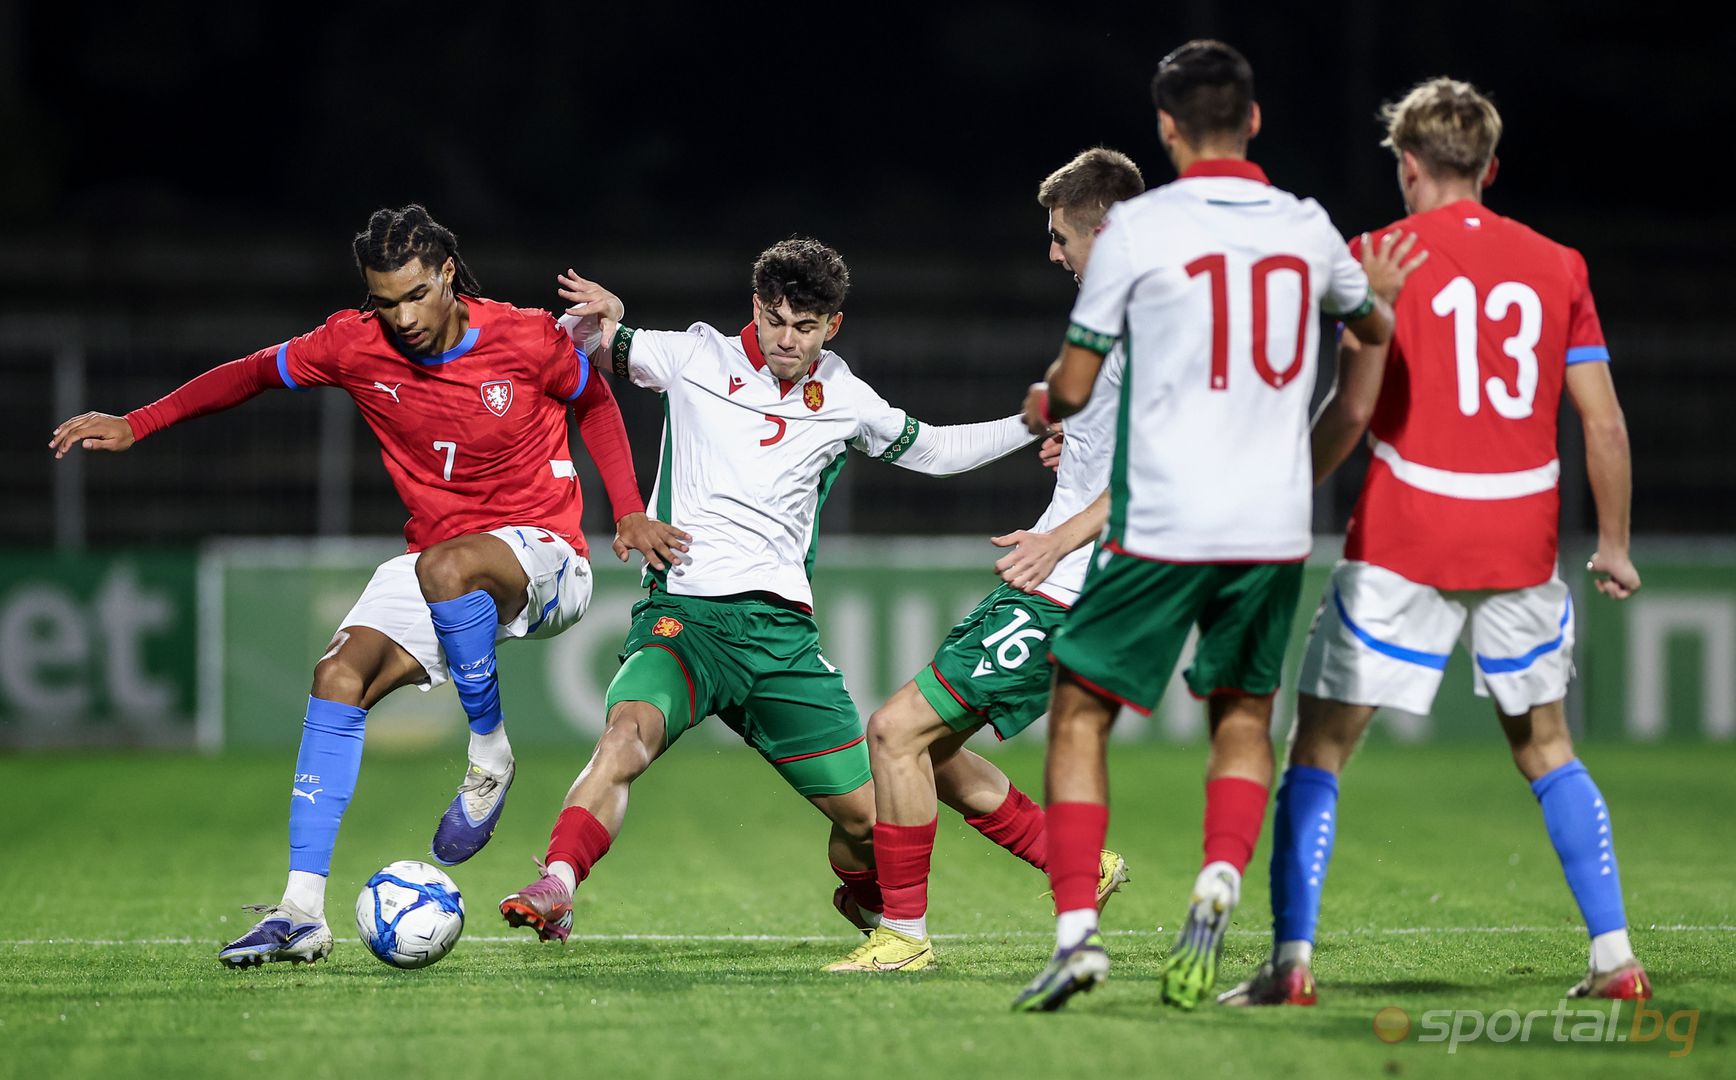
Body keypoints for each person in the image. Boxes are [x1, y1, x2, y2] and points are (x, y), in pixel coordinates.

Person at [49, 204, 680, 968]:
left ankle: (490, 755)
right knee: (337, 675)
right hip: (435, 563)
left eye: (416, 294)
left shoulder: (524, 335)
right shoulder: (353, 344)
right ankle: (300, 911)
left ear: (448, 274)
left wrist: (630, 510)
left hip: (547, 556)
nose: (403, 317)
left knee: (446, 566)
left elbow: (594, 400)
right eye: (385, 301)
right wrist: (139, 422)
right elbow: (250, 372)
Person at [1220, 77, 1648, 1007]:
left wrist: (1279, 488)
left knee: (1319, 750)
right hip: (1520, 536)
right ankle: (1615, 958)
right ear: (1489, 167)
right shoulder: (1559, 265)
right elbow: (1603, 424)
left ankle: (1291, 966)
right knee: (1546, 746)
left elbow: (1355, 411)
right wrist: (1612, 543)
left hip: (1407, 532)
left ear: (1407, 163)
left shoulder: (1375, 256)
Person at [1009, 40, 1413, 1012]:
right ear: (1254, 121)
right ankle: (1219, 879)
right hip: (1272, 523)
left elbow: (1070, 386)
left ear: (1163, 127)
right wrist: (1371, 311)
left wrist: (1041, 406)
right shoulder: (1308, 229)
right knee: (1240, 716)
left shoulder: (1138, 232)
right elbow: (1369, 328)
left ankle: (1075, 935)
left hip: (1164, 519)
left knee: (1078, 710)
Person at [496, 237, 1044, 948]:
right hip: (684, 619)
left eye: (805, 326)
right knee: (627, 734)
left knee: (875, 828)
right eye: (775, 318)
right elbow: (576, 353)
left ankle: (863, 891)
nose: (787, 339)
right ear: (755, 306)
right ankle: (559, 882)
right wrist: (602, 320)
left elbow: (935, 450)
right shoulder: (695, 356)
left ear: (833, 326)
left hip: (781, 641)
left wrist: (1029, 425)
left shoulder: (846, 398)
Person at [824, 148, 1144, 974]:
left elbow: (1167, 469)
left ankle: (904, 934)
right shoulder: (1124, 319)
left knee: (894, 732)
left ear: (1102, 229)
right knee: (925, 745)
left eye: (1059, 234)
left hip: (1072, 586)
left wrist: (1059, 537)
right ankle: (1082, 867)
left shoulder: (1144, 322)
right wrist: (1078, 447)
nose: (1052, 251)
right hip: (1068, 579)